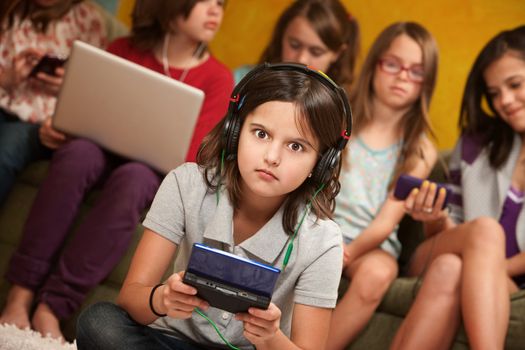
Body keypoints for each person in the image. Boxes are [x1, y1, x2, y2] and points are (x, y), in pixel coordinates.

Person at [0, 0, 232, 341]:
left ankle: (53, 308)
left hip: (149, 171)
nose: (216, 11)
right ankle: (19, 296)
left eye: (221, 4)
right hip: (95, 149)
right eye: (205, 1)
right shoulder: (122, 49)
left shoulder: (217, 78)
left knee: (135, 178)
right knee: (78, 154)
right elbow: (86, 107)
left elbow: (192, 158)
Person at [76, 63, 351, 350]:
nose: (272, 156)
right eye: (260, 134)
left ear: (319, 165)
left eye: (296, 146)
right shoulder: (187, 184)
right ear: (235, 131)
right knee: (99, 323)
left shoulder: (323, 240)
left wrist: (272, 338)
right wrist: (162, 299)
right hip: (170, 342)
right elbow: (131, 297)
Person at [327, 22, 465, 349]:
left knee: (377, 274)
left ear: (426, 84)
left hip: (371, 244)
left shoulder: (419, 149)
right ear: (375, 63)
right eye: (393, 64)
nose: (403, 76)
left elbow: (388, 220)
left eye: (416, 72)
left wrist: (349, 252)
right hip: (321, 227)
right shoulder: (339, 116)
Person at [403, 25, 525, 349]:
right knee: (483, 233)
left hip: (507, 279)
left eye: (515, 85)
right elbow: (448, 230)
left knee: (450, 267)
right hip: (436, 252)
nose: (505, 102)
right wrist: (434, 216)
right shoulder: (475, 145)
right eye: (495, 93)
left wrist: (481, 263)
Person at [0, 0, 107, 205]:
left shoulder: (88, 20)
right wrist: (8, 78)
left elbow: (96, 95)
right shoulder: (9, 9)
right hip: (4, 100)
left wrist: (68, 85)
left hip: (40, 124)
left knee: (7, 147)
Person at [233, 0, 359, 89]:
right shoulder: (241, 80)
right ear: (282, 35)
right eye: (294, 45)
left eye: (316, 52)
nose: (301, 59)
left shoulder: (343, 108)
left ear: (337, 53)